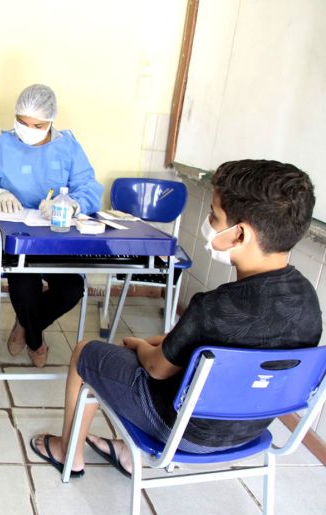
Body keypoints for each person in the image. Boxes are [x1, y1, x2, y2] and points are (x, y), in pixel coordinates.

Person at [30, 159, 321, 478]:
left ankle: (66, 453)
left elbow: (156, 368)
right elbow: (218, 353)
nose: (208, 222)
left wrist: (142, 346)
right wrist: (162, 344)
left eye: (214, 215)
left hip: (184, 431)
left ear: (239, 235)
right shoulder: (309, 302)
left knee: (85, 352)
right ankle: (127, 453)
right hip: (249, 431)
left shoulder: (213, 306)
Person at [0, 84, 103, 367]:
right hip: (16, 238)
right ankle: (36, 341)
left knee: (72, 288)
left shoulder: (68, 148)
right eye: (22, 122)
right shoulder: (3, 145)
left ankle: (25, 326)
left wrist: (71, 204)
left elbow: (90, 188)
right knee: (23, 285)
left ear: (51, 121)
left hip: (58, 238)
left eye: (37, 125)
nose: (27, 130)